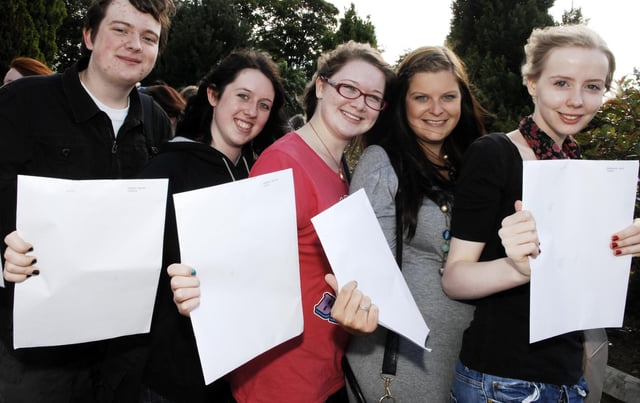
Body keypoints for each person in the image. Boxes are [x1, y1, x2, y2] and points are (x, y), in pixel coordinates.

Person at [168, 41, 395, 403]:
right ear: (321, 86)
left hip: (326, 372)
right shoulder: (284, 165)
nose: (359, 102)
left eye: (373, 97)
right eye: (348, 88)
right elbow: (237, 278)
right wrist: (195, 288)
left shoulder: (341, 168)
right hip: (279, 381)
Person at [441, 24, 640, 402]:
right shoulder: (494, 155)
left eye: (593, 86)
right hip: (502, 381)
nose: (577, 100)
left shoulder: (584, 170)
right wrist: (517, 268)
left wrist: (623, 244)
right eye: (561, 83)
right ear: (532, 83)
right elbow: (455, 279)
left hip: (569, 377)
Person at [0, 0, 175, 402]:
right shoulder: (23, 103)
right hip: (34, 350)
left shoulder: (155, 121)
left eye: (148, 37)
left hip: (121, 345)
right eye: (120, 29)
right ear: (89, 35)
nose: (135, 44)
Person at [333, 46, 487, 402]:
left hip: (470, 358)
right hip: (401, 361)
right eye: (421, 97)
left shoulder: (472, 163)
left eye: (448, 96)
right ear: (403, 103)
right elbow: (366, 278)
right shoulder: (382, 164)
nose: (436, 109)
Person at [137, 48, 287, 403]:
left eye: (264, 105)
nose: (252, 112)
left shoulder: (257, 176)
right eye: (243, 96)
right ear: (213, 94)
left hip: (230, 371)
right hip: (171, 373)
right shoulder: (167, 169)